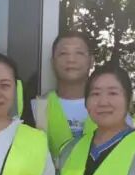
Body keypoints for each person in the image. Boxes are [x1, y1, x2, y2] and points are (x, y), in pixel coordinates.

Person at [35, 30, 96, 159]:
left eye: (79, 53)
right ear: (52, 62)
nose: (71, 60)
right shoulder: (37, 107)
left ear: (91, 61)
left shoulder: (110, 106)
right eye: (63, 53)